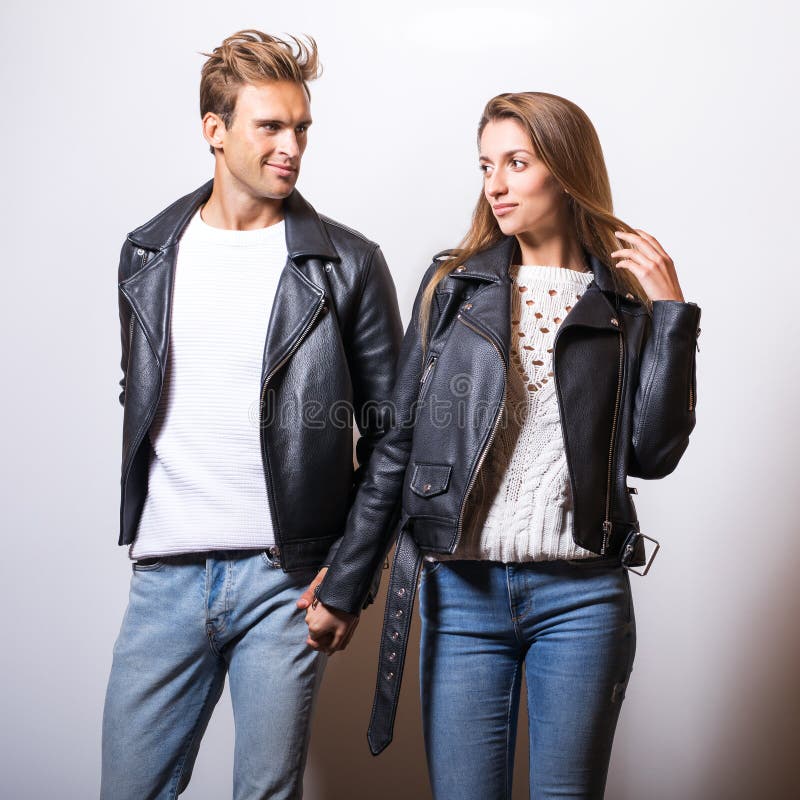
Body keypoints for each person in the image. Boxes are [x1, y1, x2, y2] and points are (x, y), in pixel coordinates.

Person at [305, 92, 702, 799]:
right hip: (462, 595)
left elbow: (653, 452)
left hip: (582, 600)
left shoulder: (622, 304)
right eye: (488, 165)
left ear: (567, 169)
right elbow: (397, 446)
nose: (496, 184)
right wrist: (345, 583)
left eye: (517, 162)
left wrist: (671, 319)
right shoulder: (452, 289)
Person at [101, 29, 402, 800]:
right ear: (216, 130)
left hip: (284, 580)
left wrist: (349, 578)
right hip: (165, 578)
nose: (292, 146)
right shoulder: (148, 254)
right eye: (270, 126)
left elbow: (396, 436)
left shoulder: (348, 264)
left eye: (301, 128)